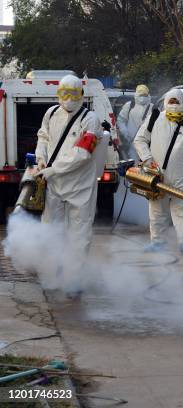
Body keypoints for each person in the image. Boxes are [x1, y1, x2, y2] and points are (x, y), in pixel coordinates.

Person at [35, 74, 102, 295]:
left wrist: (53, 168)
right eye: (64, 93)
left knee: (79, 235)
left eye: (74, 94)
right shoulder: (51, 113)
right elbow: (43, 137)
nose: (69, 98)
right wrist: (41, 158)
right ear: (57, 94)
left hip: (80, 187)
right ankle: (52, 274)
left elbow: (83, 153)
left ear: (82, 95)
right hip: (54, 184)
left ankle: (74, 279)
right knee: (50, 230)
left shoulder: (90, 119)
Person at [133, 89, 183, 255]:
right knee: (157, 210)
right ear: (165, 102)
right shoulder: (155, 118)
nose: (173, 105)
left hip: (182, 177)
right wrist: (147, 158)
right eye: (171, 101)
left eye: (176, 102)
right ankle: (157, 242)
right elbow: (140, 140)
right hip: (157, 176)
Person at [117, 84, 153, 159]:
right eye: (140, 95)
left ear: (148, 95)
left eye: (144, 95)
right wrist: (125, 132)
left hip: (148, 144)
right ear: (136, 94)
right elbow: (121, 120)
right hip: (131, 142)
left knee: (147, 164)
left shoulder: (153, 108)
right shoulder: (130, 105)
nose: (142, 97)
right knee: (134, 166)